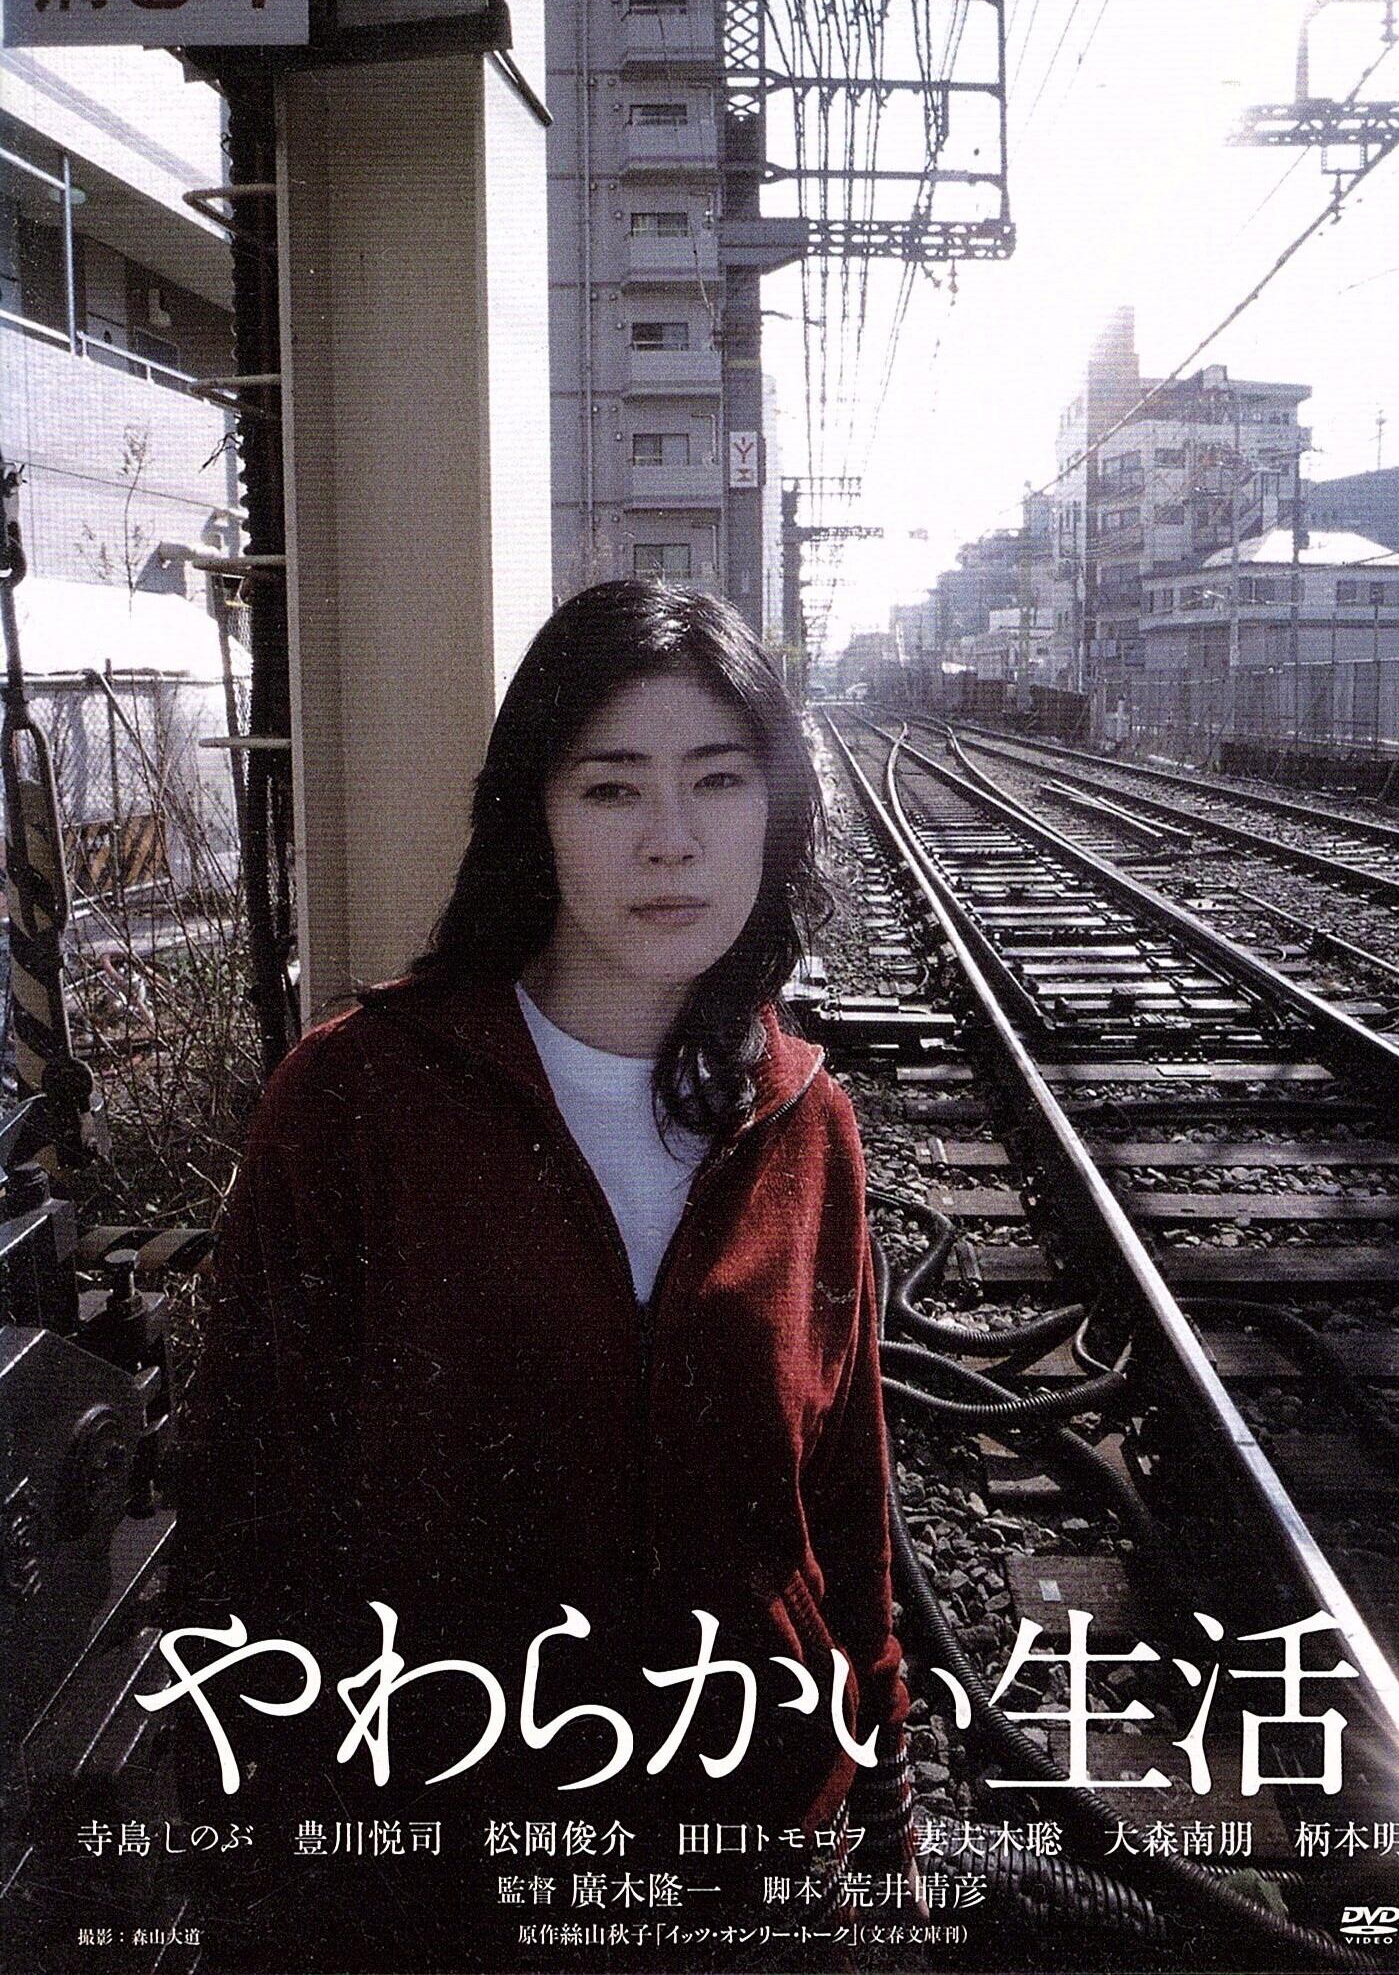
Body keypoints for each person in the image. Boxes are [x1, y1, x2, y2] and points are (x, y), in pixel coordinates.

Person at [170, 579, 919, 1971]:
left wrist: (880, 1806)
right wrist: (250, 1845)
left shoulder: (805, 1119)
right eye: (611, 788)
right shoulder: (361, 1098)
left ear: (777, 809)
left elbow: (843, 1498)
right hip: (435, 1879)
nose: (672, 839)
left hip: (749, 1864)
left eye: (718, 780)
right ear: (535, 814)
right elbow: (246, 1499)